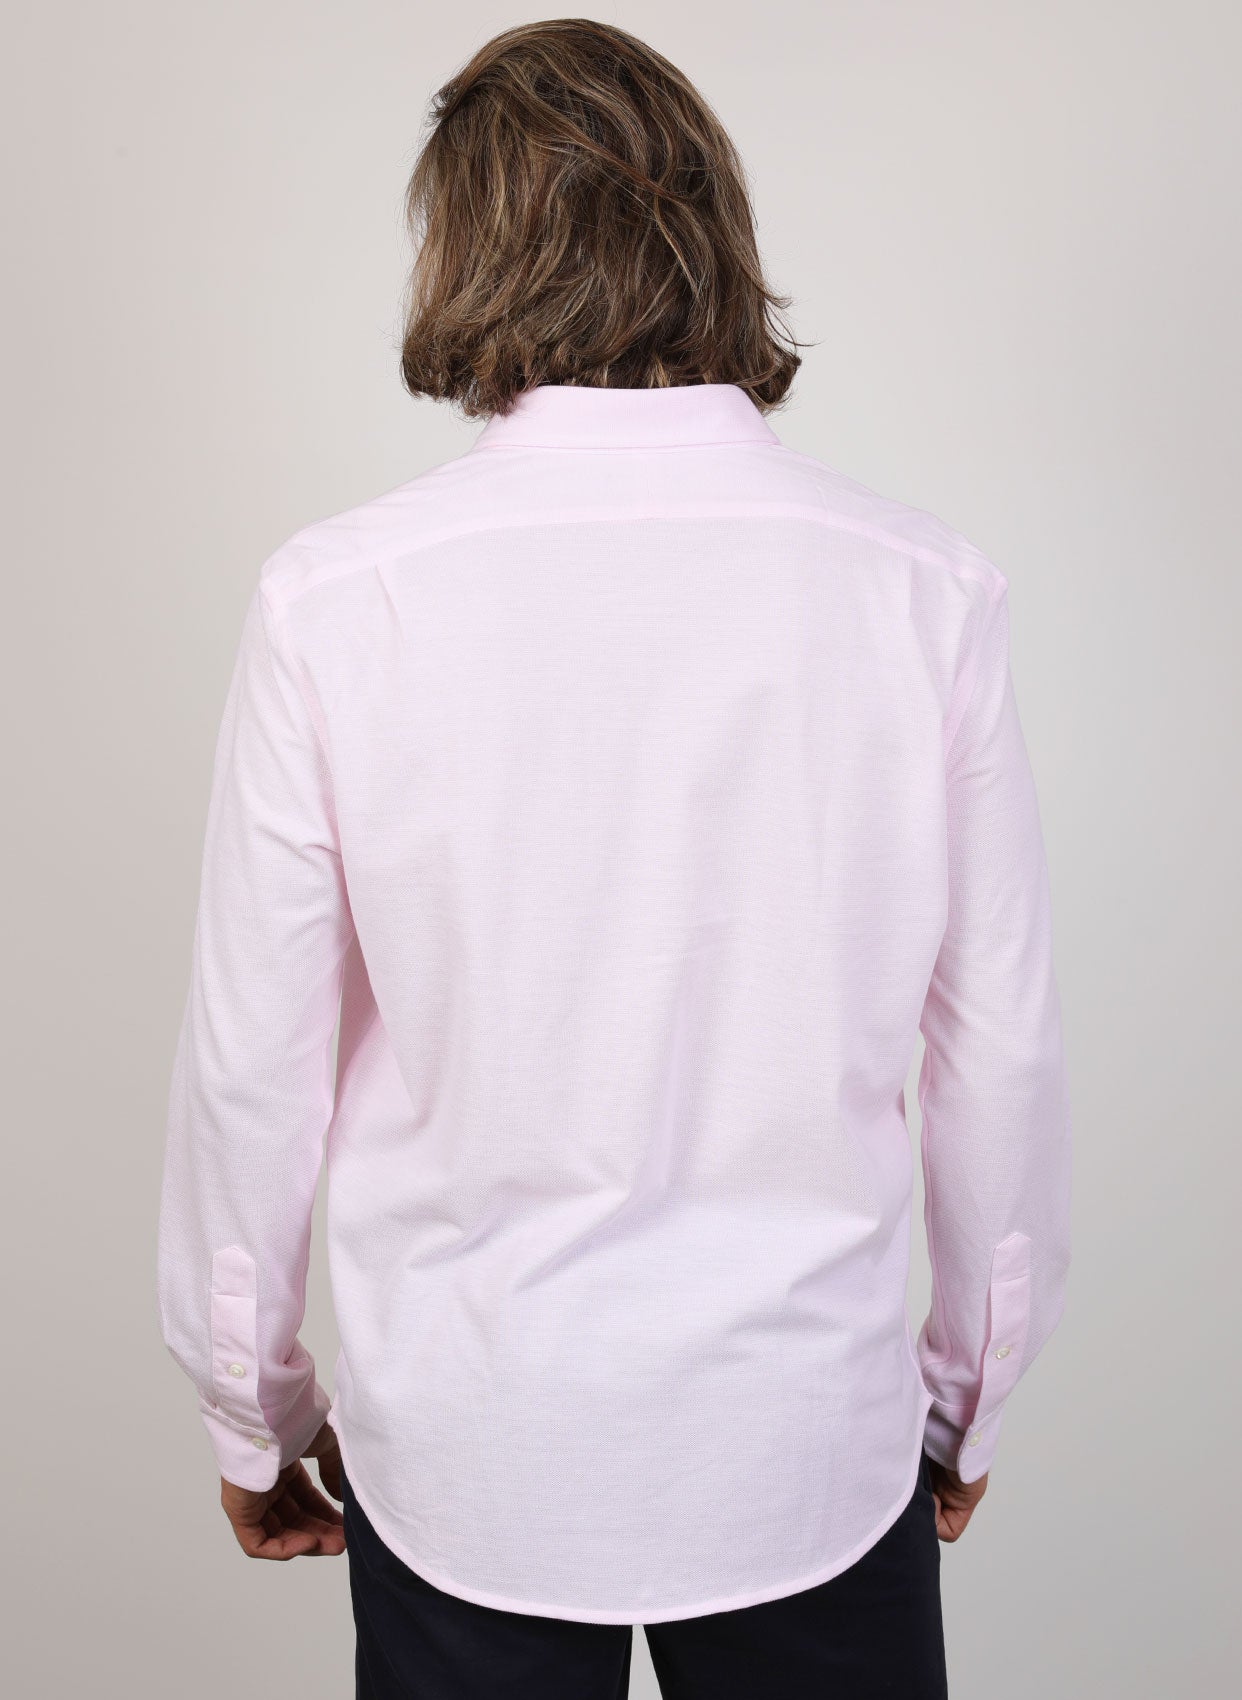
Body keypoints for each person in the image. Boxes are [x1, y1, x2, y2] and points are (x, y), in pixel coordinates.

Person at [156, 18, 1072, 1698]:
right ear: (711, 226)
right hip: (810, 1435)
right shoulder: (920, 590)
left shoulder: (340, 600)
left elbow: (252, 1063)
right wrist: (965, 1393)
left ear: (463, 248)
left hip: (473, 1442)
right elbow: (994, 1048)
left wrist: (252, 1404)